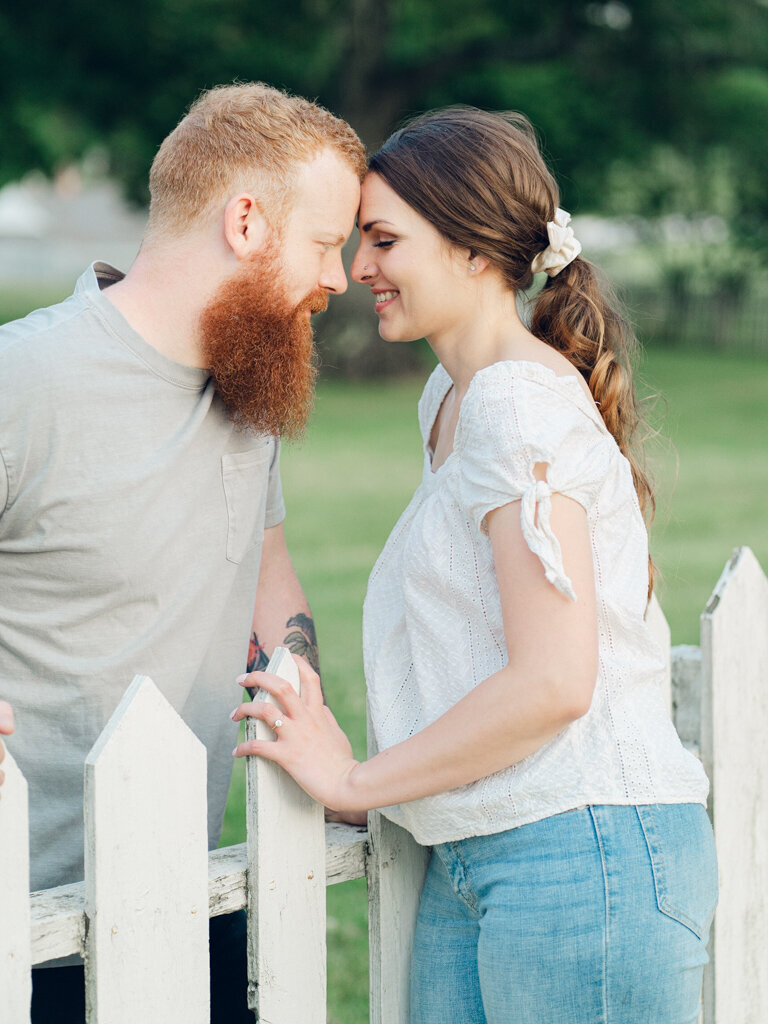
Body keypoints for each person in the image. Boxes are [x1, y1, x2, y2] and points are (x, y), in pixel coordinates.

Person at [233, 107, 718, 1023]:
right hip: (482, 855)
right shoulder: (451, 400)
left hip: (583, 855)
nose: (357, 270)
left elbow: (554, 682)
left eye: (382, 240)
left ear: (467, 247)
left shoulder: (514, 407)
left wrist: (354, 781)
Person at [0, 82, 365, 1022]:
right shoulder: (26, 380)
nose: (341, 277)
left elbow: (266, 583)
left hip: (191, 895)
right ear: (246, 221)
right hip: (29, 925)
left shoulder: (252, 389)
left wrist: (318, 740)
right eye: (326, 243)